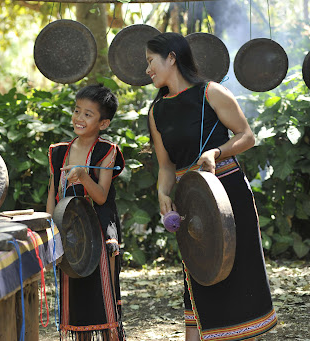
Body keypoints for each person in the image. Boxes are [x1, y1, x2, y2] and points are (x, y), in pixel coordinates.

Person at [146, 32, 277, 341]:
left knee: (237, 277)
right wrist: (163, 193)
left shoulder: (211, 92)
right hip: (191, 199)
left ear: (172, 58)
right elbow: (166, 165)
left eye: (151, 61)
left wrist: (217, 151)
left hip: (228, 191)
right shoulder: (157, 111)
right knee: (200, 276)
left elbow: (247, 136)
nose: (148, 70)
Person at [47, 84, 126, 340]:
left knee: (103, 299)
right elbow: (53, 195)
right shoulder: (59, 152)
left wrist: (82, 176)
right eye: (77, 111)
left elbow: (101, 196)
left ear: (103, 123)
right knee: (77, 297)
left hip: (99, 230)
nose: (79, 118)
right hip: (68, 230)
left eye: (88, 114)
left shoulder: (107, 151)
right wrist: (51, 229)